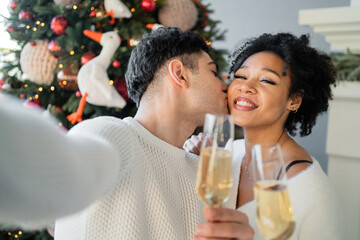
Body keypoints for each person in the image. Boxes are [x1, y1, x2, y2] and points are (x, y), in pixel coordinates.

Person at [0, 27, 254, 240]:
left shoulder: (203, 171)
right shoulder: (111, 135)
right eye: (212, 71)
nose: (225, 86)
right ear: (179, 74)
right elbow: (45, 175)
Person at [187, 33, 346, 239]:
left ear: (294, 99)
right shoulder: (228, 154)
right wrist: (191, 161)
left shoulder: (309, 189)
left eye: (266, 80)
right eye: (241, 76)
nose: (245, 86)